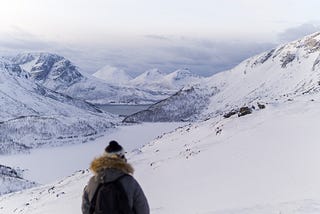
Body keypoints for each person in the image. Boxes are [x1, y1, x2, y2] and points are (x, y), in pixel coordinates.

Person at [82, 140, 150, 214]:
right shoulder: (129, 181)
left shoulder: (93, 182)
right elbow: (143, 209)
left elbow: (86, 209)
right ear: (122, 158)